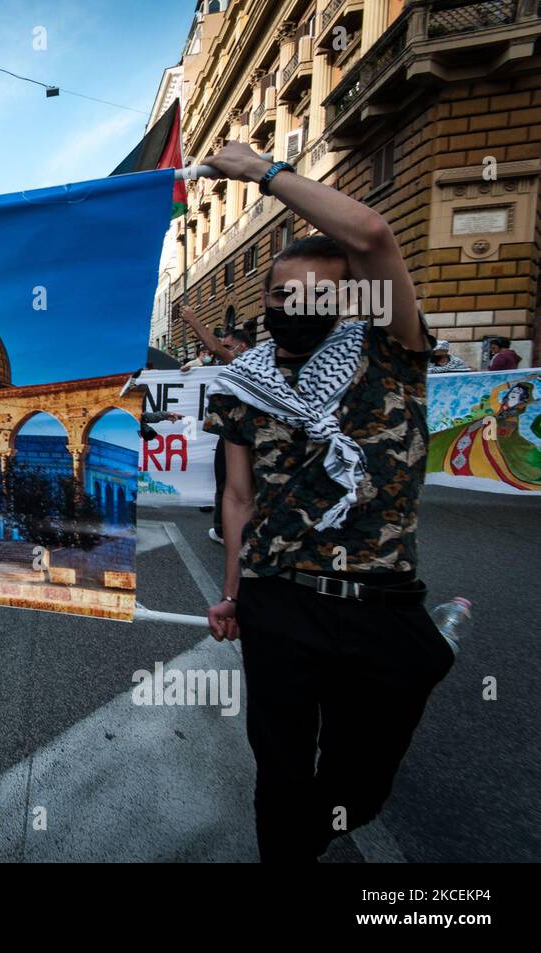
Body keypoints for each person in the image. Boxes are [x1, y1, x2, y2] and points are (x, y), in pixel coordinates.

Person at [199, 142, 452, 863]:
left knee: (358, 788)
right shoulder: (243, 382)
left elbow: (373, 236)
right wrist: (232, 593)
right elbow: (238, 495)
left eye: (313, 295)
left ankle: (306, 840)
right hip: (281, 601)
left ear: (351, 301)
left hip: (383, 603)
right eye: (279, 294)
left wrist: (263, 175)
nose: (291, 306)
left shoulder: (393, 349)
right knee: (280, 776)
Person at [178, 305, 252, 542]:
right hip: (236, 429)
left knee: (230, 481)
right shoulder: (254, 363)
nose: (224, 350)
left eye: (229, 346)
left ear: (243, 347)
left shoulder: (249, 362)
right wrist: (194, 367)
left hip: (243, 432)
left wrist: (193, 320)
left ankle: (225, 530)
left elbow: (214, 349)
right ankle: (227, 528)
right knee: (228, 481)